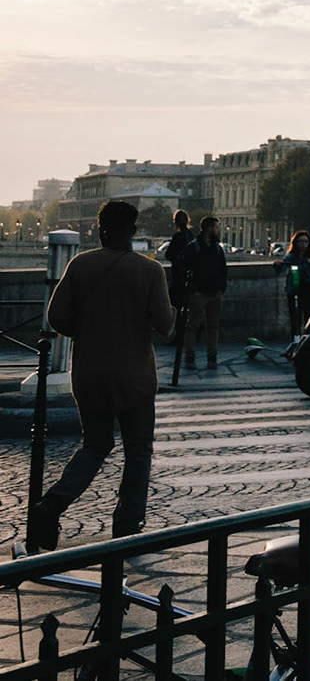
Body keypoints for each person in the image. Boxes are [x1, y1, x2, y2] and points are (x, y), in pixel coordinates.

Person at [27, 200, 174, 549]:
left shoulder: (80, 265)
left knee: (95, 445)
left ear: (100, 229)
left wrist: (90, 330)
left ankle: (52, 504)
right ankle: (126, 526)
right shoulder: (150, 271)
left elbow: (57, 317)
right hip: (135, 376)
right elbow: (165, 325)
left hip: (89, 373)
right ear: (133, 231)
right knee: (138, 451)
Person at [185, 215, 228, 369]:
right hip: (200, 292)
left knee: (206, 325)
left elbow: (223, 270)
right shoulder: (196, 247)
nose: (218, 231)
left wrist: (221, 288)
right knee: (196, 325)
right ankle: (193, 356)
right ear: (209, 228)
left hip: (214, 292)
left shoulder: (215, 248)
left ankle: (209, 356)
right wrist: (194, 290)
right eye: (216, 228)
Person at [160, 209, 195, 348]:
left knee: (176, 307)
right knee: (187, 309)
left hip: (178, 277)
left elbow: (169, 255)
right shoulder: (191, 235)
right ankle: (188, 335)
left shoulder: (178, 236)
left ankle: (178, 336)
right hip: (190, 277)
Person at [277, 230, 310, 335]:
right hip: (295, 289)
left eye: (306, 242)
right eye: (301, 242)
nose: (303, 244)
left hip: (309, 289)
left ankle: (308, 340)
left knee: (309, 318)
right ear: (295, 243)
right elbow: (281, 268)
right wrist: (277, 265)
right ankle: (295, 340)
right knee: (295, 319)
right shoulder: (290, 257)